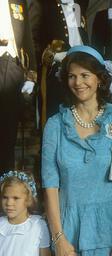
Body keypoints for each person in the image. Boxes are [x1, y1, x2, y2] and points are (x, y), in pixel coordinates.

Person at [40, 45, 112, 256]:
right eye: (72, 76)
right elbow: (50, 186)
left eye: (85, 75)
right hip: (68, 229)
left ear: (99, 79)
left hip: (111, 230)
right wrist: (58, 237)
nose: (78, 82)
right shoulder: (54, 125)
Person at [29, 0, 90, 128]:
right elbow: (32, 39)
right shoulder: (42, 4)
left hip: (82, 69)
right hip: (56, 73)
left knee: (82, 120)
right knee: (55, 118)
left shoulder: (78, 5)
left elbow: (80, 37)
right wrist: (53, 56)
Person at [0, 171, 58, 256]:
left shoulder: (38, 225)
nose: (9, 203)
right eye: (5, 197)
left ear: (28, 200)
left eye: (15, 198)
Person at [0, 0, 37, 175]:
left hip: (13, 66)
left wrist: (31, 75)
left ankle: (4, 185)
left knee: (8, 131)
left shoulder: (18, 1)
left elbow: (27, 36)